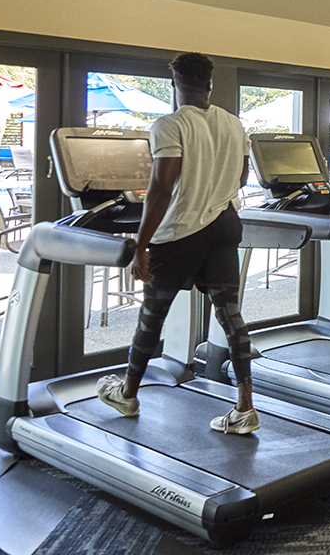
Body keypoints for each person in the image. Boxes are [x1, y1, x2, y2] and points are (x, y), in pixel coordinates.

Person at [96, 53, 259, 434]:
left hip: (180, 234)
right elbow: (241, 179)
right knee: (230, 316)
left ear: (174, 84)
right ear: (210, 84)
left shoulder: (169, 125)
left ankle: (128, 394)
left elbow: (160, 188)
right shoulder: (233, 123)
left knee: (153, 315)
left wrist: (141, 246)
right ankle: (245, 407)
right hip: (224, 225)